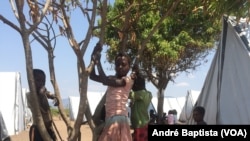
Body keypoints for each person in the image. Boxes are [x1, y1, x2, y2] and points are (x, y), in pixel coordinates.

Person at [90, 43, 135, 141]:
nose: (120, 67)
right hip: (110, 118)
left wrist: (98, 62)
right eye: (117, 64)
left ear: (129, 66)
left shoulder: (126, 81)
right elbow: (92, 76)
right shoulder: (112, 79)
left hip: (118, 118)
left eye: (123, 64)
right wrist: (93, 53)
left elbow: (105, 81)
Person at [28, 69, 58, 141]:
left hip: (49, 128)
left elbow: (50, 94)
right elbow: (37, 109)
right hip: (38, 130)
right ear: (32, 82)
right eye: (38, 81)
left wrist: (54, 97)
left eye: (43, 81)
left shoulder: (44, 92)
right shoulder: (30, 96)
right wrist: (41, 96)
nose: (41, 83)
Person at [129, 66, 152, 141]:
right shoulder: (148, 94)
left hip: (139, 123)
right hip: (144, 121)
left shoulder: (139, 94)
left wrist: (129, 81)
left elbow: (127, 94)